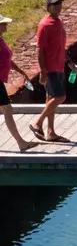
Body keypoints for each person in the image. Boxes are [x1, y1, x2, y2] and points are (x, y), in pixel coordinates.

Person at [30, 0, 75, 144]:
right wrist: (43, 71)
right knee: (60, 97)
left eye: (60, 4)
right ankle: (37, 123)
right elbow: (39, 50)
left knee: (51, 99)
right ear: (48, 7)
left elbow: (61, 47)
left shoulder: (59, 22)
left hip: (59, 66)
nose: (58, 7)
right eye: (55, 4)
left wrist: (69, 62)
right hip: (50, 68)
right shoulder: (45, 25)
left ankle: (51, 132)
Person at [0, 19, 37, 153]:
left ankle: (21, 143)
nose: (6, 25)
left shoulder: (1, 40)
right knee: (7, 110)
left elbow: (7, 60)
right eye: (3, 23)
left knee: (6, 110)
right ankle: (21, 143)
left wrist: (20, 71)